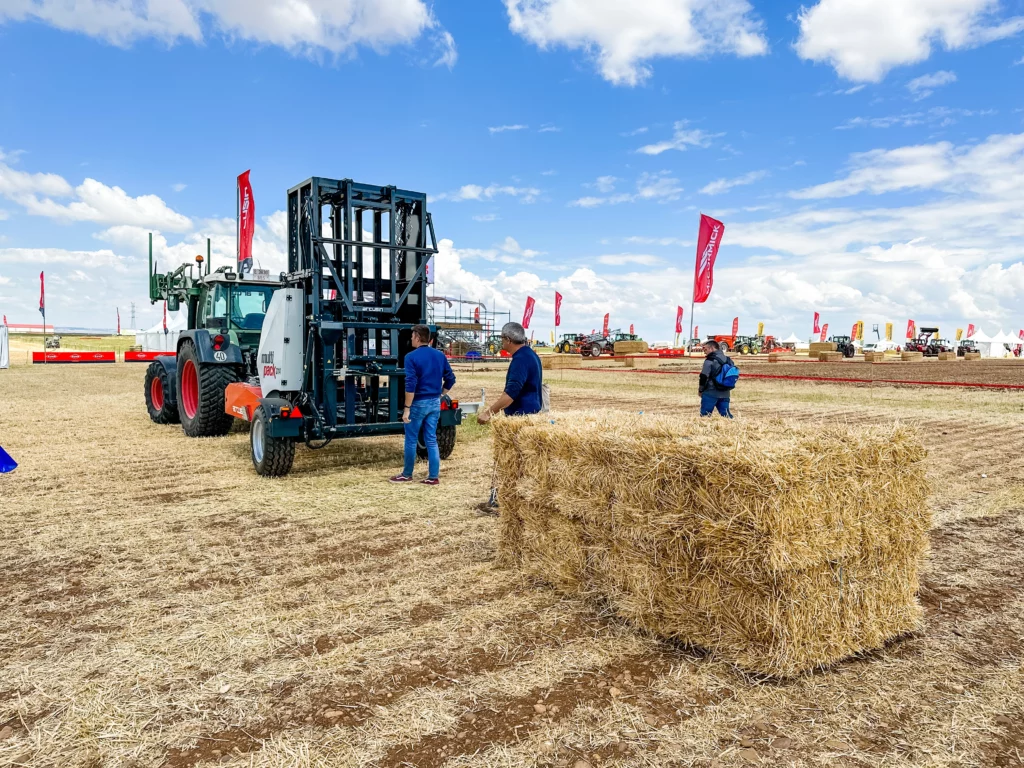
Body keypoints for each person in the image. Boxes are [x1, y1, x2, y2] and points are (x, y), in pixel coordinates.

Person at [389, 324, 456, 485]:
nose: (411, 339)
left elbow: (410, 385)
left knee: (411, 440)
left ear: (418, 337)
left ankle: (406, 474)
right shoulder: (440, 356)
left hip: (418, 403)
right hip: (434, 402)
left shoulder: (411, 357)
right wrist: (441, 394)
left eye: (412, 336)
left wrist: (406, 409)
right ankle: (433, 477)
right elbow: (451, 379)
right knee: (431, 439)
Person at [477, 322, 543, 424]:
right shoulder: (531, 354)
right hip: (532, 414)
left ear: (508, 340)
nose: (501, 341)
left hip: (522, 417)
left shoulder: (520, 360)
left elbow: (510, 394)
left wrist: (488, 414)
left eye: (502, 338)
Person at [698, 340, 734, 418]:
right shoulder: (728, 360)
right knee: (727, 416)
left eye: (706, 349)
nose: (704, 352)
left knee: (705, 416)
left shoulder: (709, 360)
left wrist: (701, 390)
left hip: (710, 392)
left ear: (712, 348)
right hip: (725, 392)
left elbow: (704, 376)